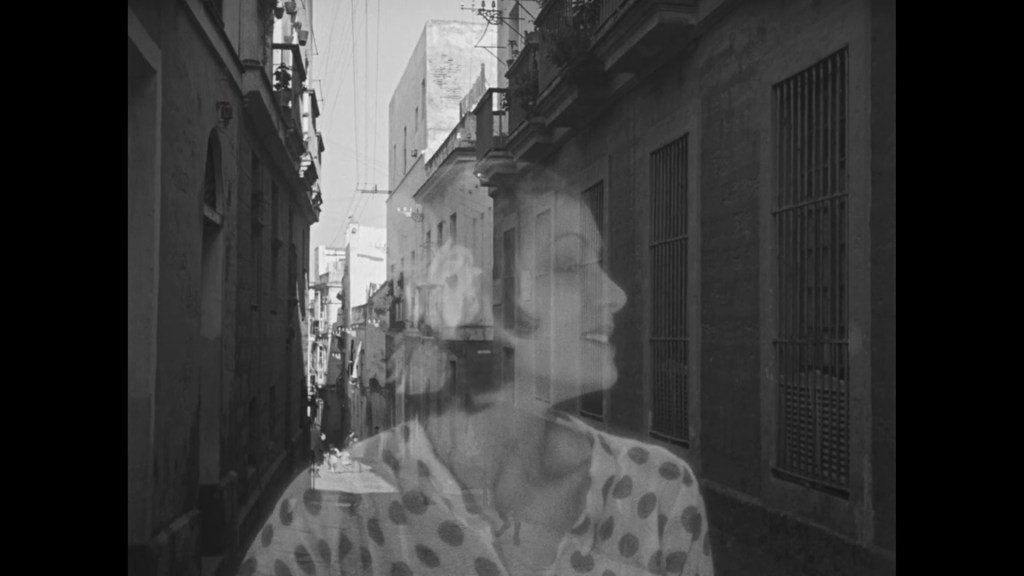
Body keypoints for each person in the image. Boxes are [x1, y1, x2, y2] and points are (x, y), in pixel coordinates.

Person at [236, 168, 714, 576]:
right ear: (495, 303)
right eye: (570, 266)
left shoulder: (659, 494)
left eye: (599, 265)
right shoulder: (328, 514)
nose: (615, 294)